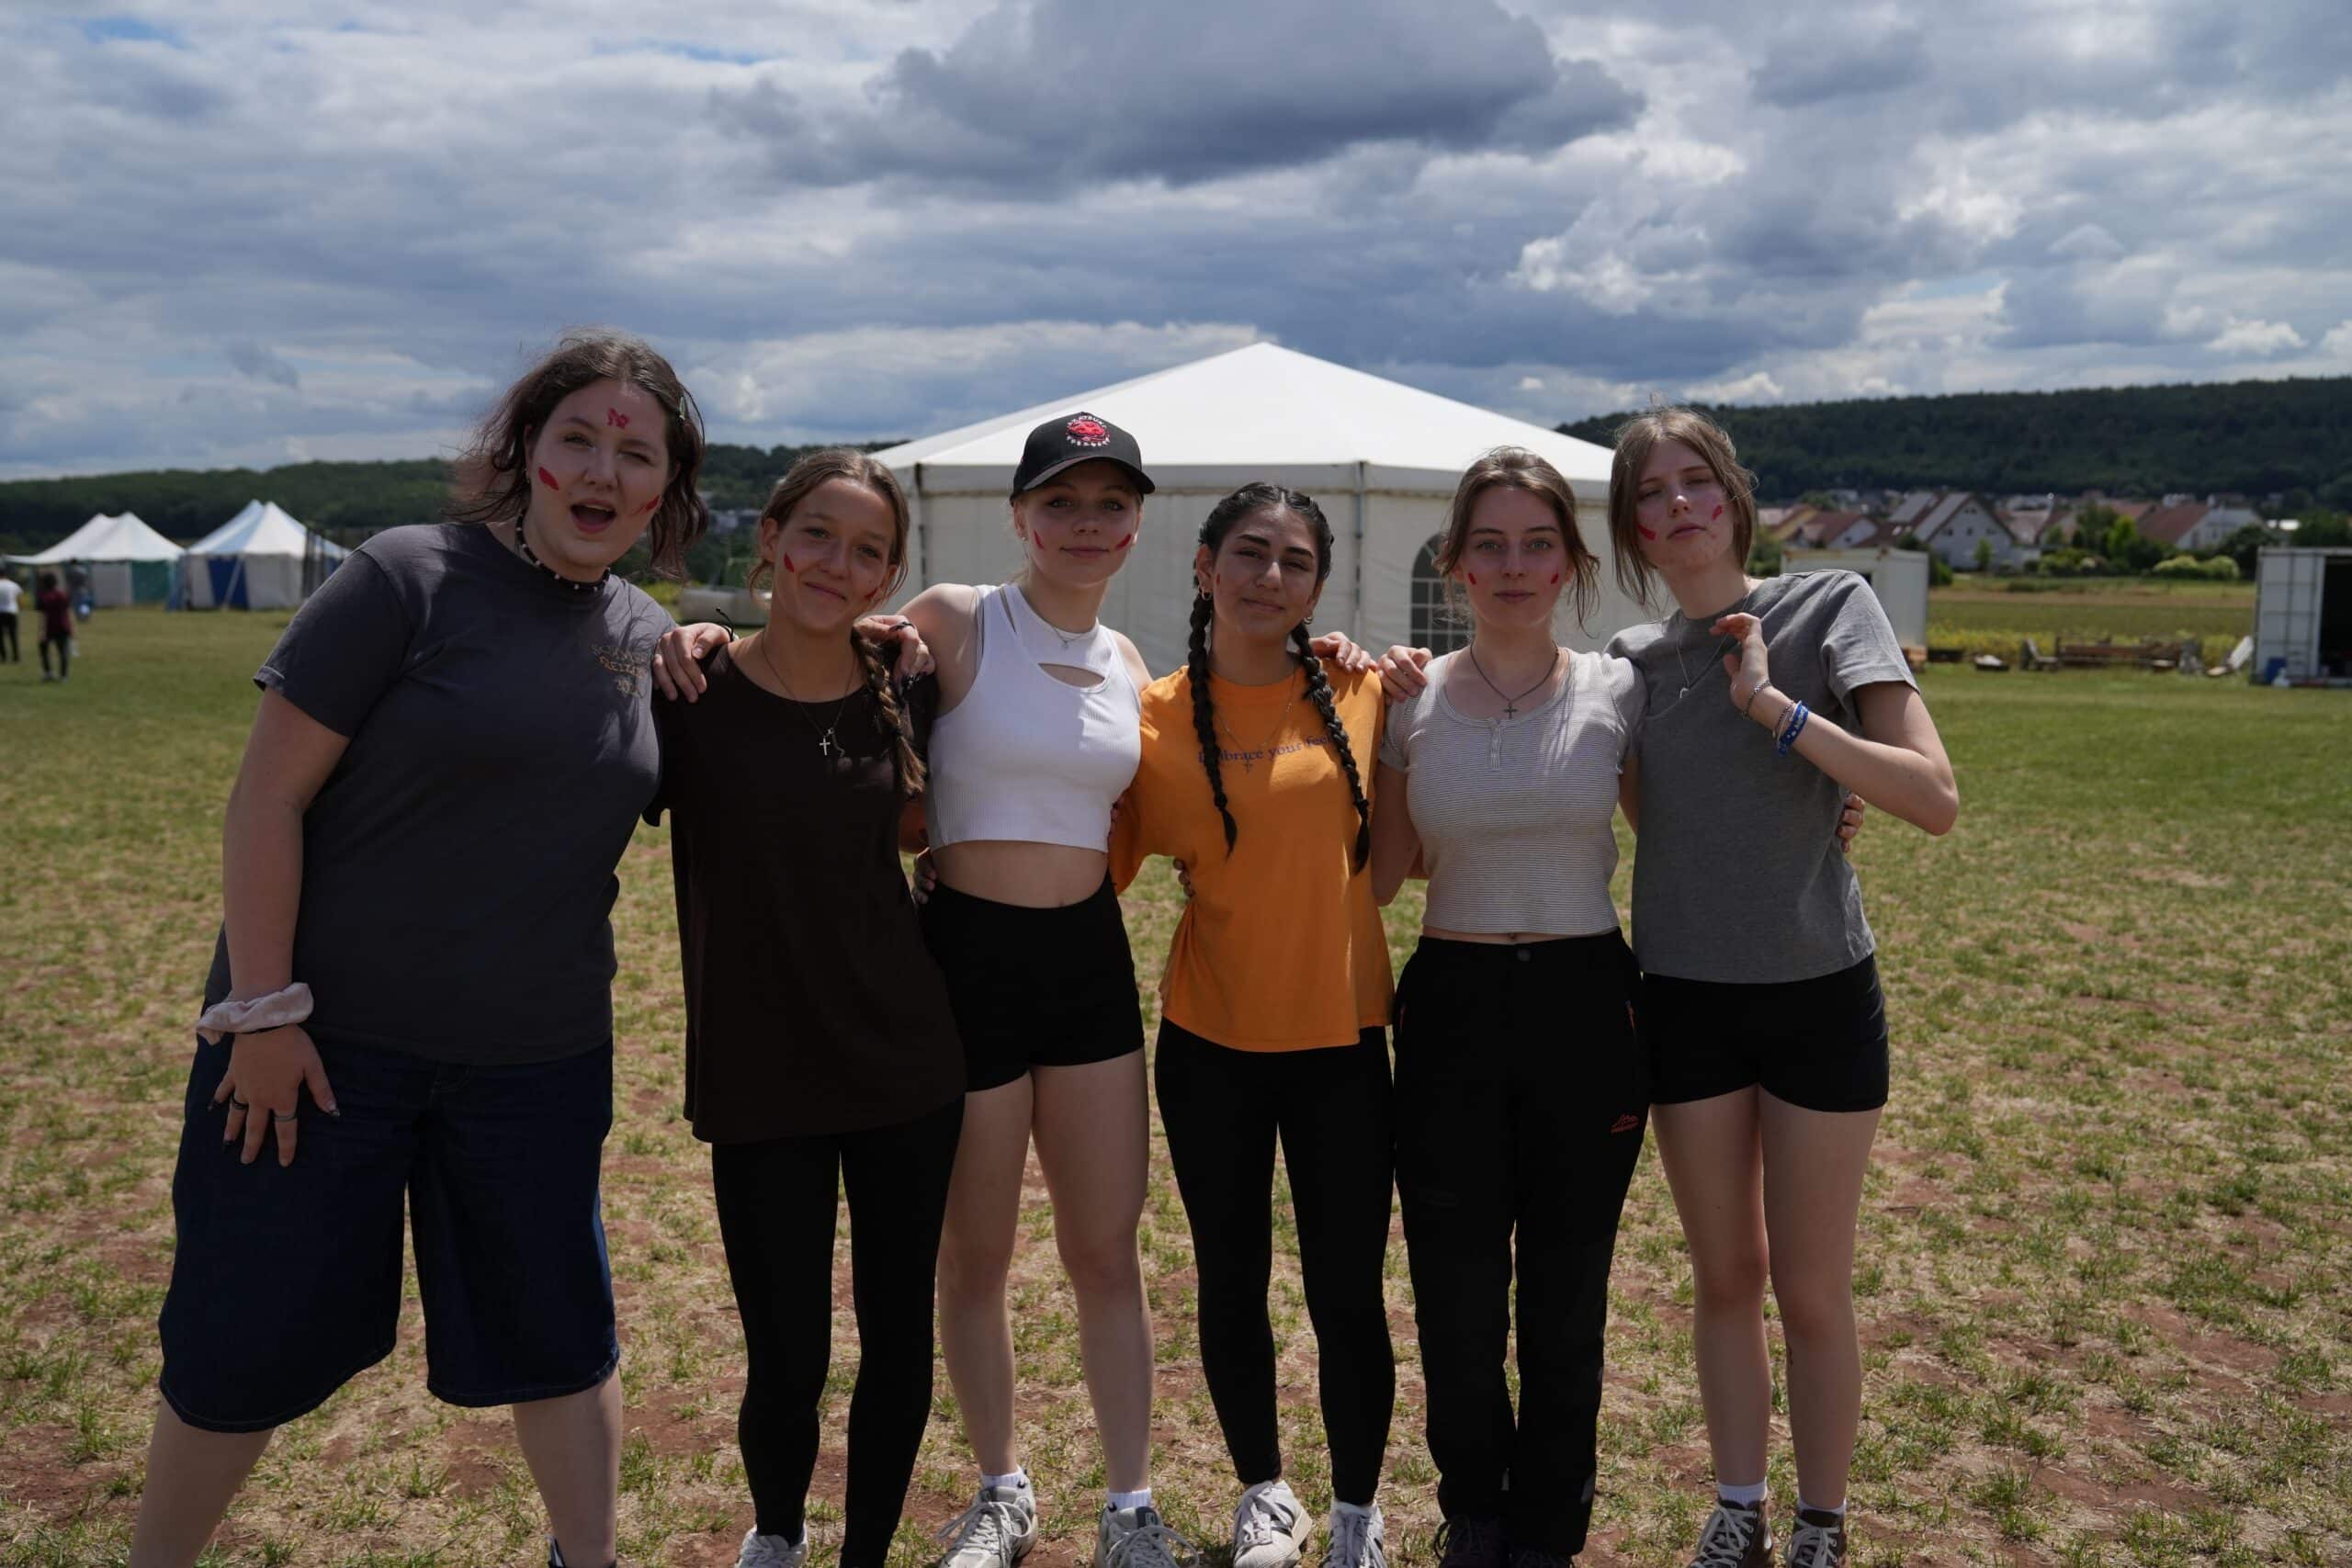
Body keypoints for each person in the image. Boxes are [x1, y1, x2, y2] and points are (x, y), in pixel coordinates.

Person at [129, 329, 707, 1568]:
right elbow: (267, 798)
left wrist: (883, 648)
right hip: (319, 1054)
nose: (600, 471)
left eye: (634, 454)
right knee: (241, 1341)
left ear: (666, 489)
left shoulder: (649, 642)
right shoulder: (407, 576)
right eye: (575, 439)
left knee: (560, 1338)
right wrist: (264, 1012)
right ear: (524, 451)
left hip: (537, 1066)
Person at [1602, 410, 1955, 1568]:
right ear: (1632, 529)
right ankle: (1737, 1507)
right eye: (1649, 492)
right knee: (1724, 1278)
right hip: (1685, 1000)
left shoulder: (1830, 606)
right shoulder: (1632, 663)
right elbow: (1657, 820)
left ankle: (1820, 1524)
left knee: (1809, 1287)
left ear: (1733, 497)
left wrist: (1779, 711)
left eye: (1695, 481)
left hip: (1818, 994)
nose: (1676, 505)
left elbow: (1931, 798)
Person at [649, 449, 967, 1568]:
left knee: (896, 1340)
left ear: (889, 578)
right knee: (784, 1352)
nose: (838, 563)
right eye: (818, 535)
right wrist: (668, 637)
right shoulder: (689, 691)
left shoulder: (908, 683)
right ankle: (777, 1537)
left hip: (905, 1067)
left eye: (867, 550)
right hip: (758, 1072)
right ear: (771, 539)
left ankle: (863, 1554)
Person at [1365, 448, 1646, 1568]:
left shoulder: (1618, 690)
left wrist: (1828, 813)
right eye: (1489, 543)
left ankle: (1549, 1523)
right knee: (1457, 1290)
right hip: (1453, 1005)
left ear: (1570, 563)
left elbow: (1685, 831)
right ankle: (1474, 1506)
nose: (1514, 565)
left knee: (1569, 1293)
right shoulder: (1410, 701)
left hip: (1587, 1004)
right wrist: (1362, 730)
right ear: (1455, 564)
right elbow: (1382, 877)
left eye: (1538, 543)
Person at [1107, 485, 1394, 1568]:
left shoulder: (1362, 689)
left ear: (1318, 586)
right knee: (1230, 1281)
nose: (1269, 577)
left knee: (1346, 1291)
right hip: (1210, 1046)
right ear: (1204, 565)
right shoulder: (1153, 716)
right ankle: (1265, 1493)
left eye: (1294, 561)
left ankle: (1357, 1511)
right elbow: (1094, 854)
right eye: (1249, 553)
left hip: (1343, 1043)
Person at [36, 570, 72, 680]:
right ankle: (64, 675)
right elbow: (67, 612)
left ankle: (48, 672)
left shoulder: (44, 596)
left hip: (49, 627)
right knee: (63, 651)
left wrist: (41, 631)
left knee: (44, 650)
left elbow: (43, 615)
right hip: (63, 625)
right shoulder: (62, 595)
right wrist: (71, 627)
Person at [0, 569, 22, 662]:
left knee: (1, 636)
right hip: (12, 611)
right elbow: (19, 597)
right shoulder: (13, 584)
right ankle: (16, 656)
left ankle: (4, 656)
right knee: (13, 635)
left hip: (1, 611)